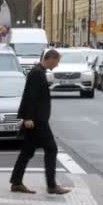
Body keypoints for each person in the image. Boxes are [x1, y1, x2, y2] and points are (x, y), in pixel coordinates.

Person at [10, 49, 71, 195]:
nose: (56, 65)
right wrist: (29, 118)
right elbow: (31, 96)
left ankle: (16, 182)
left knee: (27, 152)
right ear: (50, 58)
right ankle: (51, 185)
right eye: (57, 62)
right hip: (37, 120)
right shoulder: (37, 73)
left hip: (36, 119)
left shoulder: (38, 71)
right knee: (52, 149)